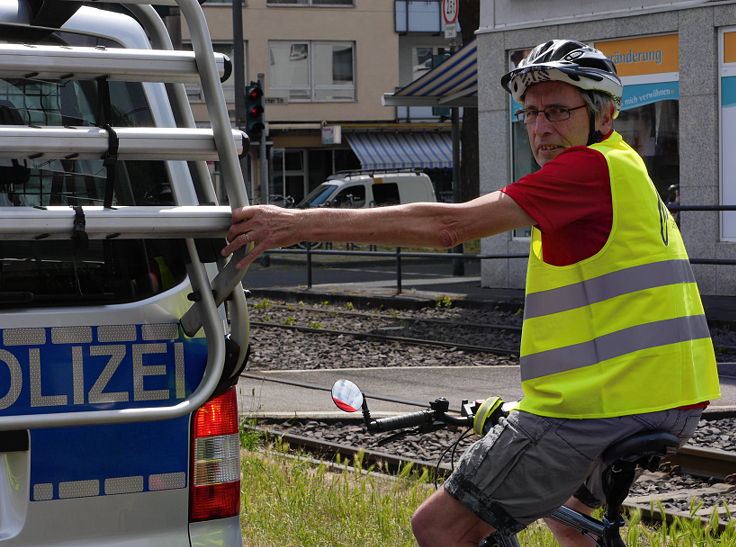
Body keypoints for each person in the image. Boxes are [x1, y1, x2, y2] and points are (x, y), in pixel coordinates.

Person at [222, 40, 721, 546]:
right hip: (668, 399)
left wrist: (294, 225)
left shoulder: (586, 169)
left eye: (557, 111)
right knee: (569, 517)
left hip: (602, 405)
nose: (541, 127)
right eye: (530, 113)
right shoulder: (624, 166)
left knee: (440, 528)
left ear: (603, 114)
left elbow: (447, 226)